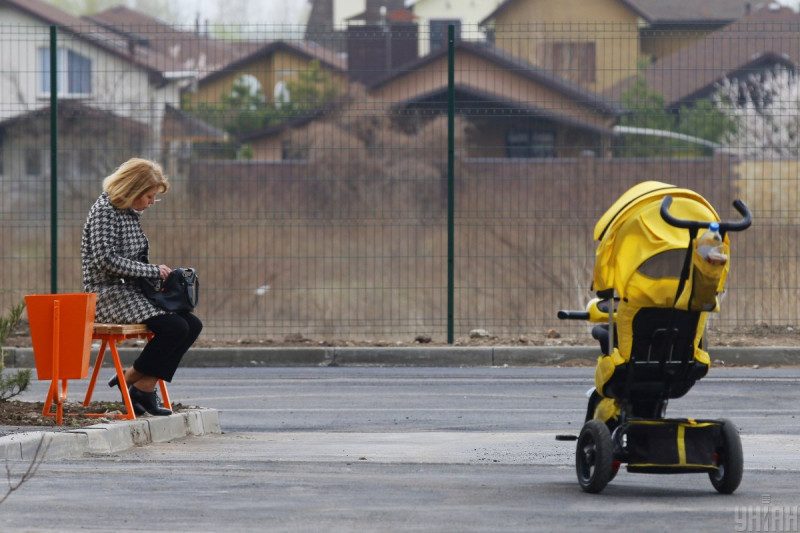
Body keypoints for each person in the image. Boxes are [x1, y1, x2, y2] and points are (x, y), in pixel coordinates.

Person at [81, 158, 202, 416]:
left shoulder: (127, 213)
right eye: (148, 196)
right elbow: (105, 260)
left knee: (192, 325)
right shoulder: (105, 211)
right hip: (108, 295)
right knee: (174, 327)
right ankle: (136, 382)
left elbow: (131, 260)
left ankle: (142, 386)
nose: (150, 202)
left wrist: (160, 277)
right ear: (132, 189)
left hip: (131, 291)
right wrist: (152, 270)